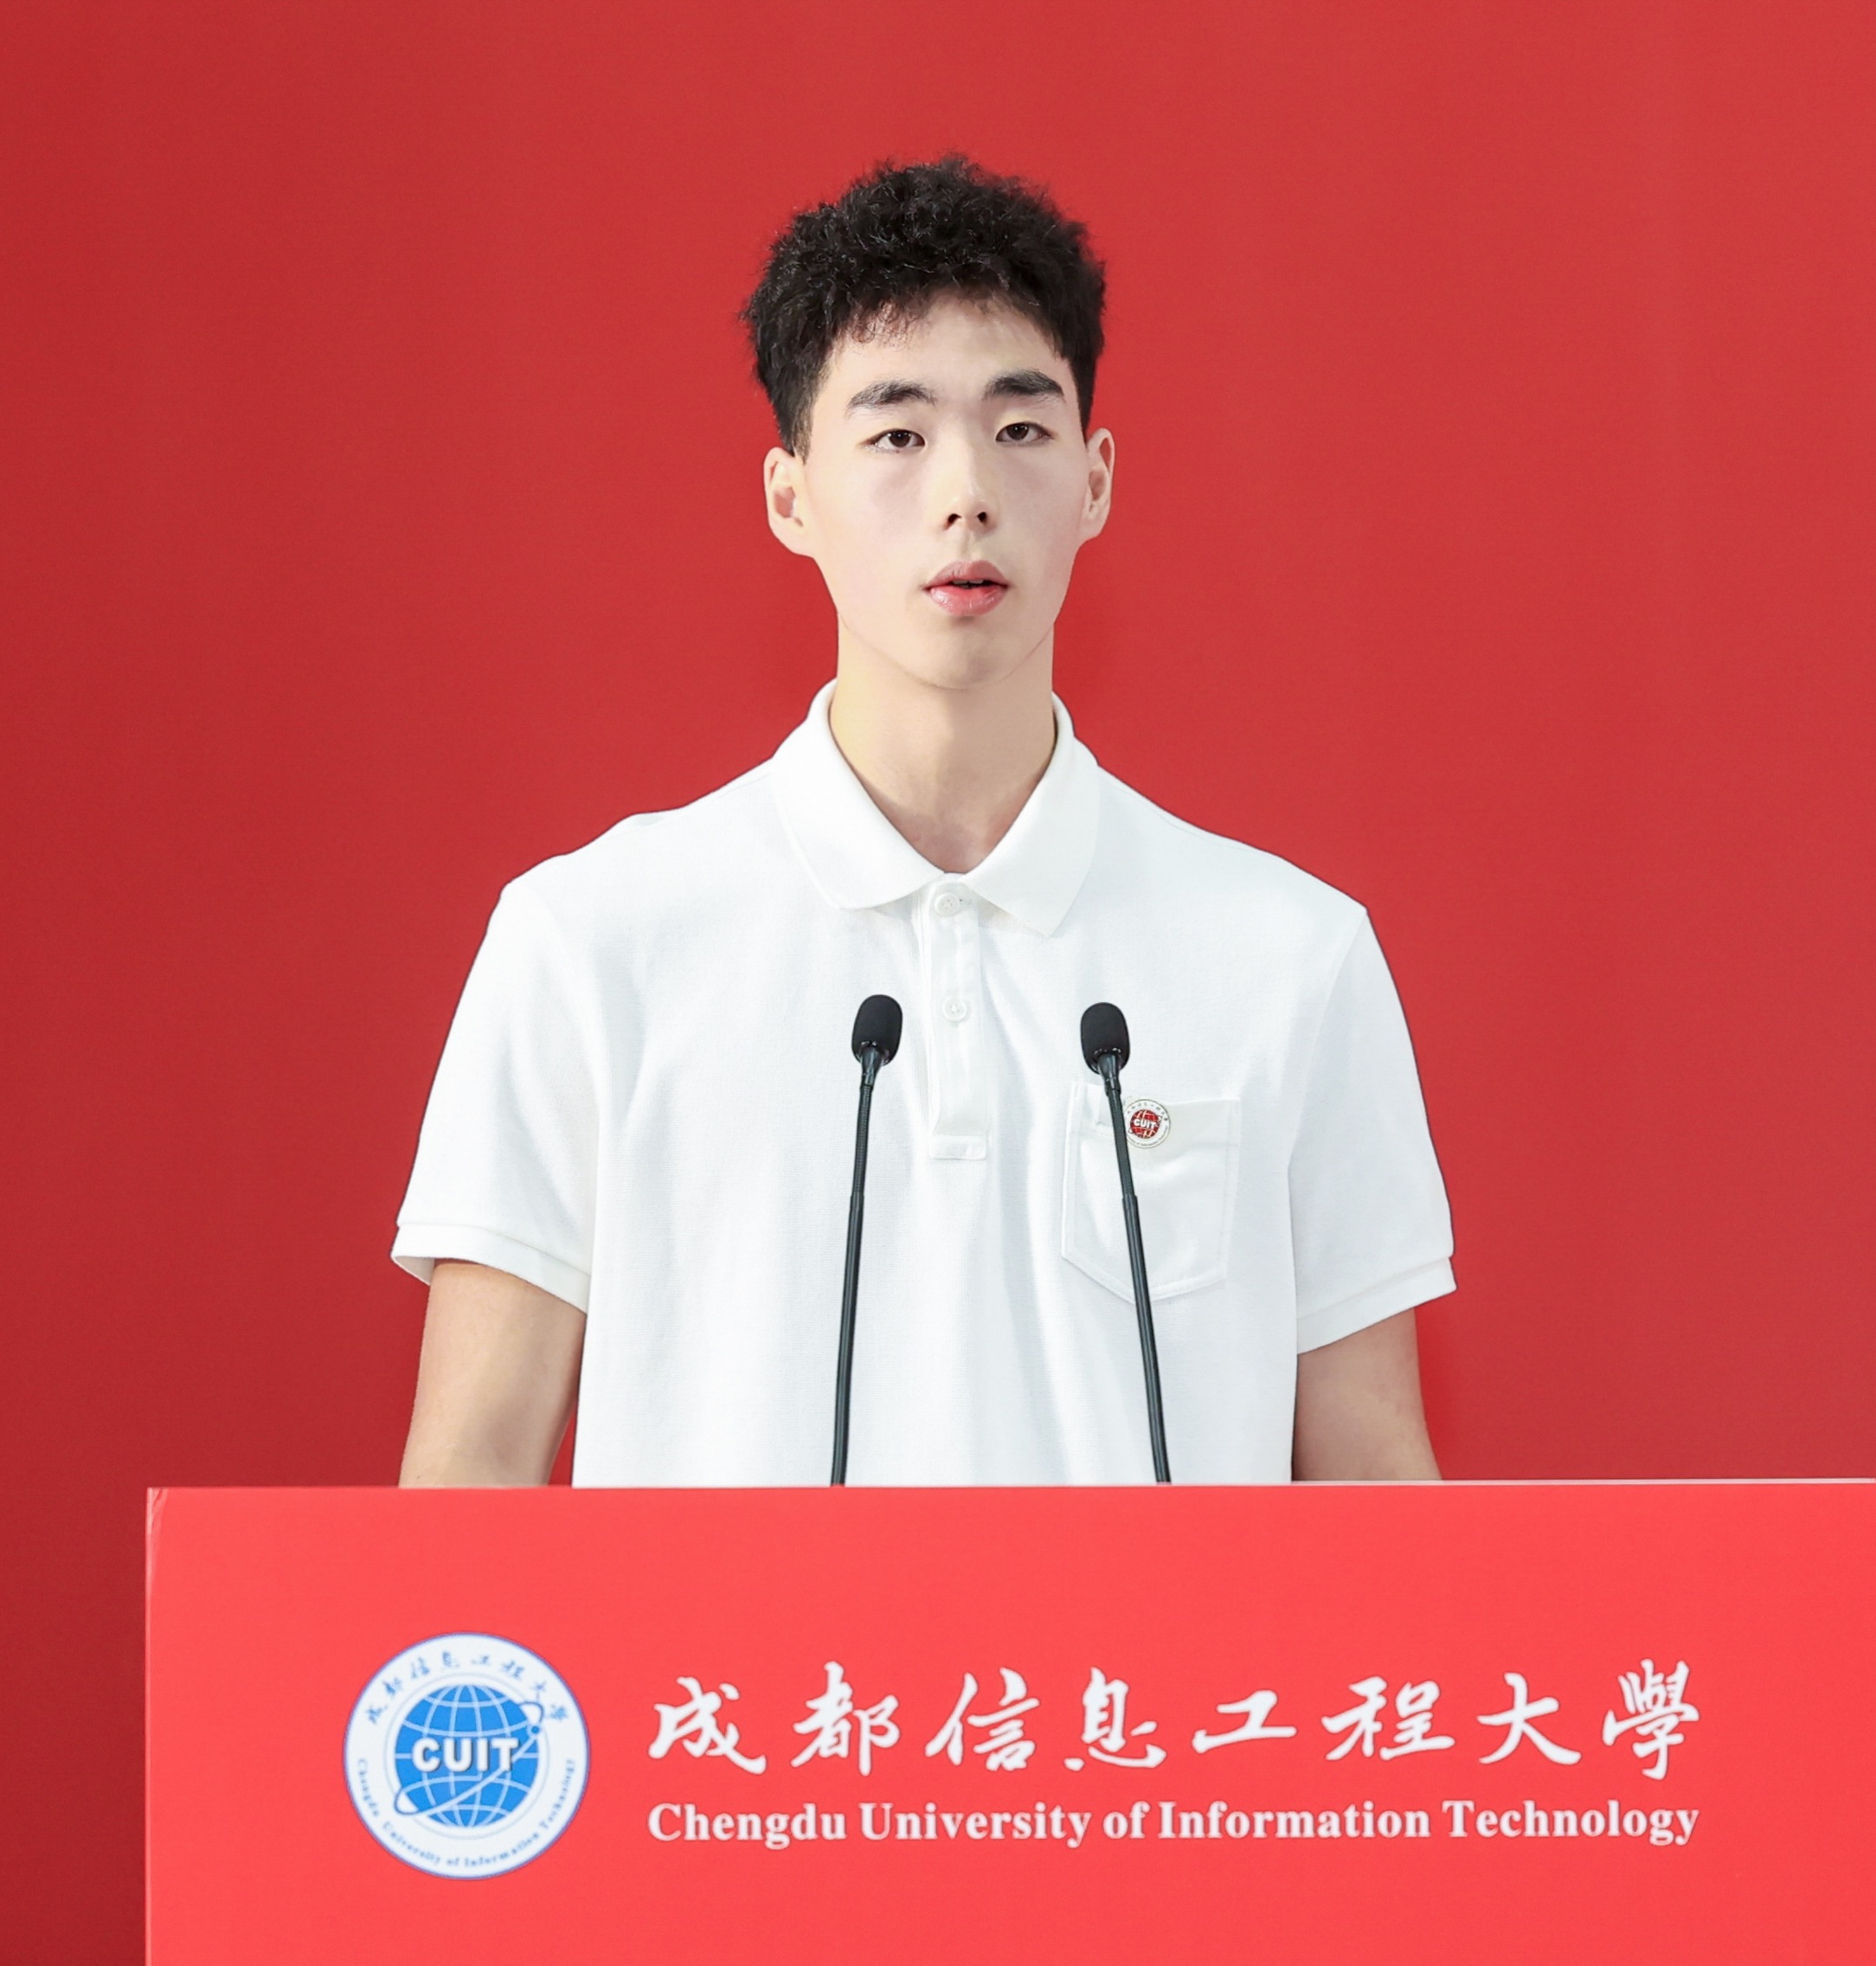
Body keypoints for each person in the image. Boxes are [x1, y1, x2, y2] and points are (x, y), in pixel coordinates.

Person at [396, 157, 1452, 1487]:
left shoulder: (1291, 958)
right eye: (896, 436)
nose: (965, 492)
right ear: (790, 496)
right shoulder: (589, 942)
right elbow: (469, 1473)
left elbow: (1373, 1481)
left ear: (1095, 480)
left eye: (1020, 430)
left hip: (1135, 1648)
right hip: (742, 1647)